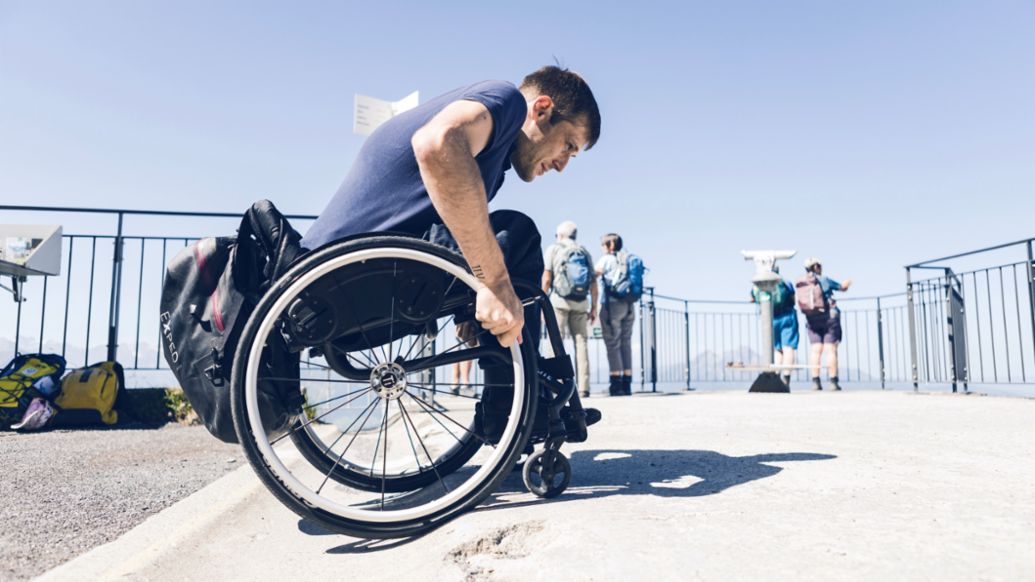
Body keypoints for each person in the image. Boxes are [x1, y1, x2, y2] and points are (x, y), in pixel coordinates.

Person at [301, 65, 602, 438]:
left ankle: (513, 406)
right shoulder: (504, 100)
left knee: (500, 236)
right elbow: (437, 143)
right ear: (541, 109)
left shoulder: (491, 160)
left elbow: (443, 230)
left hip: (336, 289)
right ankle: (516, 409)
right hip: (351, 281)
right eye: (568, 146)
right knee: (517, 233)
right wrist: (491, 282)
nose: (562, 165)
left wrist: (468, 300)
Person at [542, 220, 598, 397]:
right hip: (581, 303)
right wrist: (594, 306)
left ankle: (557, 385)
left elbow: (546, 278)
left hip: (559, 303)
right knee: (581, 343)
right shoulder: (584, 251)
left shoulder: (554, 249)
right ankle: (584, 387)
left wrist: (541, 304)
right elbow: (594, 283)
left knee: (555, 343)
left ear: (559, 235)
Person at [797, 257, 852, 391]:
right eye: (820, 266)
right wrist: (847, 283)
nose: (821, 268)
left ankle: (816, 382)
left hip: (811, 319)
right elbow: (842, 287)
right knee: (830, 349)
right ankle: (833, 382)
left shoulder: (802, 282)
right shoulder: (823, 280)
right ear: (815, 267)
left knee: (816, 350)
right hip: (829, 317)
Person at [595, 233, 639, 396]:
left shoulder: (606, 259)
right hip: (630, 304)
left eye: (602, 245)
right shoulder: (627, 258)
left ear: (608, 246)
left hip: (613, 304)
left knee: (612, 343)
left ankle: (616, 384)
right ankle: (627, 384)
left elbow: (594, 274)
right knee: (625, 342)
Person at [750, 267, 799, 387]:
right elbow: (793, 299)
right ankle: (786, 379)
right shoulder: (785, 282)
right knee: (788, 348)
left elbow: (752, 298)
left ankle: (775, 376)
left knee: (777, 349)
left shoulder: (758, 284)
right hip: (787, 316)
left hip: (771, 318)